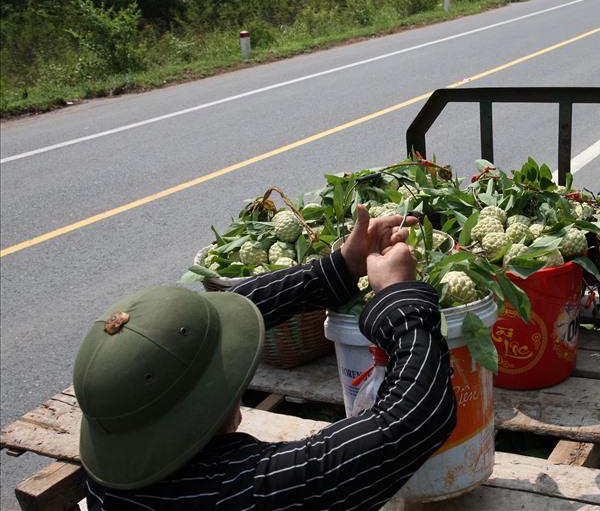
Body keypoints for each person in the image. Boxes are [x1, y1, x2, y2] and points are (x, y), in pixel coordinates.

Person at [72, 205, 456, 510]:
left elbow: (229, 310)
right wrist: (397, 294)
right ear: (205, 403)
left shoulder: (116, 455)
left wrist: (340, 267)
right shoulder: (245, 491)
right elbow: (413, 419)